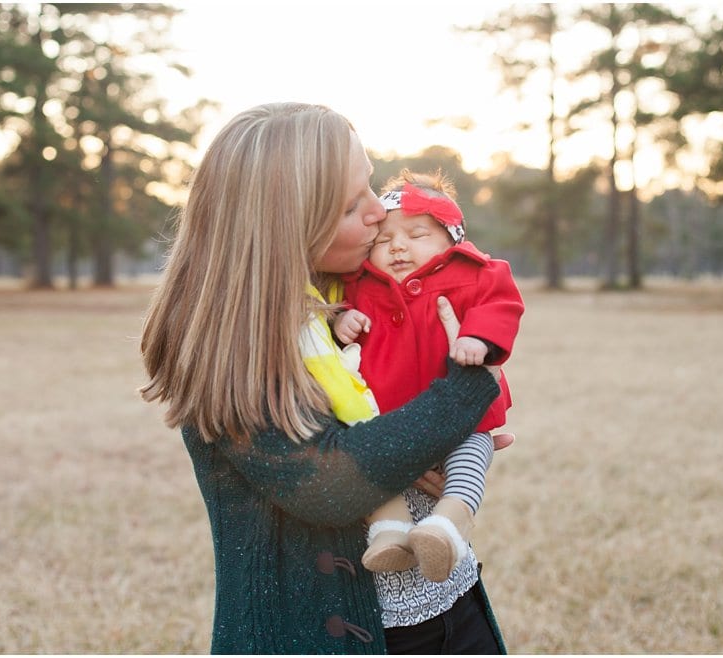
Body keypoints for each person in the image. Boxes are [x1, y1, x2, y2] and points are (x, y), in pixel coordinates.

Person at [139, 102, 511, 654]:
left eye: (369, 186)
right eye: (349, 206)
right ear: (285, 226)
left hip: (447, 609)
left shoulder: (355, 291)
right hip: (321, 634)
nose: (376, 214)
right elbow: (334, 484)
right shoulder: (233, 347)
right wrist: (468, 387)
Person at [332, 170, 524, 584]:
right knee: (374, 467)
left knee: (471, 457)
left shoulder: (473, 271)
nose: (398, 247)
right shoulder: (363, 282)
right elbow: (335, 306)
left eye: (417, 235)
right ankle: (390, 533)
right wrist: (343, 318)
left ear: (450, 238)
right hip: (388, 418)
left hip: (466, 415)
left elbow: (500, 303)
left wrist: (478, 338)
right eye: (384, 240)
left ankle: (448, 526)